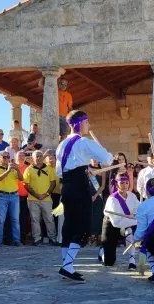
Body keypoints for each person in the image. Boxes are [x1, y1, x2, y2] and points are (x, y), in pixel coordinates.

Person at [55, 110, 113, 282]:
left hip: (67, 186)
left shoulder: (61, 144)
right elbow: (107, 159)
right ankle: (67, 267)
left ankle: (66, 265)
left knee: (69, 226)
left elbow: (59, 171)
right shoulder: (84, 142)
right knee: (82, 227)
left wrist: (83, 168)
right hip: (80, 186)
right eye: (86, 122)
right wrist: (108, 155)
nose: (89, 125)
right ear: (79, 123)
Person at [101, 174, 140, 269]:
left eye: (127, 183)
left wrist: (135, 217)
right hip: (111, 225)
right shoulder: (112, 199)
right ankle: (102, 252)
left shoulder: (132, 196)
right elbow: (116, 223)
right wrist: (137, 221)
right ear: (116, 184)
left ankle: (131, 260)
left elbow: (138, 211)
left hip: (127, 223)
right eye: (122, 183)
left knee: (129, 231)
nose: (125, 185)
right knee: (109, 262)